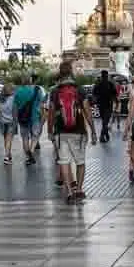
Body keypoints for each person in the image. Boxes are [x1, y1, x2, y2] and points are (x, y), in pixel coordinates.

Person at [44, 61, 92, 203]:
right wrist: (93, 130)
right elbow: (87, 111)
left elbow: (51, 112)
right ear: (71, 71)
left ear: (60, 72)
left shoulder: (55, 91)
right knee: (80, 162)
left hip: (61, 131)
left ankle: (69, 193)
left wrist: (49, 130)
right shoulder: (79, 89)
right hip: (78, 131)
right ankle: (79, 189)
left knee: (64, 162)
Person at [13, 75, 45, 165]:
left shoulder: (18, 91)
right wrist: (43, 117)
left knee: (25, 138)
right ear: (30, 81)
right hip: (35, 117)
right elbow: (42, 105)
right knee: (35, 136)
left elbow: (15, 107)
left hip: (22, 118)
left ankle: (28, 156)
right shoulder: (37, 90)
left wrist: (15, 119)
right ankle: (31, 151)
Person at [93, 70, 118, 144]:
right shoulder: (110, 84)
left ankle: (106, 134)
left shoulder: (98, 84)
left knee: (104, 121)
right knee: (105, 121)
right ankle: (101, 136)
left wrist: (96, 101)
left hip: (101, 105)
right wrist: (116, 102)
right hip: (108, 105)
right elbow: (114, 94)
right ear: (107, 76)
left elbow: (94, 94)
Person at [0, 82, 17, 163]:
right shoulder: (13, 99)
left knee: (6, 139)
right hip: (11, 121)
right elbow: (14, 111)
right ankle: (6, 156)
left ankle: (8, 154)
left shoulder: (0, 99)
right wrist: (16, 121)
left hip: (2, 121)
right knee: (9, 140)